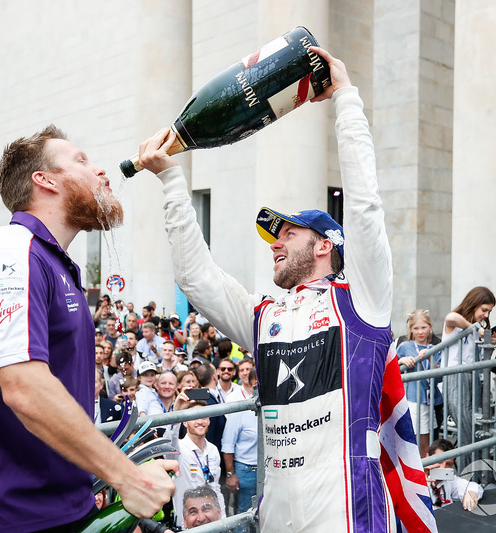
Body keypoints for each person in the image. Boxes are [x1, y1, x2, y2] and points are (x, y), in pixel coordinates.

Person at [140, 47, 435, 531]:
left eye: (288, 235)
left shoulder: (362, 298)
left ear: (325, 246)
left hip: (346, 511)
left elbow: (364, 208)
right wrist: (172, 180)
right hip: (277, 511)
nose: (274, 245)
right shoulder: (265, 317)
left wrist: (345, 99)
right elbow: (198, 278)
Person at [0, 125, 177, 532]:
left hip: (58, 508)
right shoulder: (9, 250)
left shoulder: (52, 263)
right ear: (45, 180)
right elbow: (24, 388)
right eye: (82, 160)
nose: (101, 170)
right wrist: (127, 476)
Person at [442, 287, 496, 447]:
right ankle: (469, 467)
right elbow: (450, 317)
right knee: (466, 425)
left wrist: (490, 346)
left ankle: (473, 466)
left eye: (489, 312)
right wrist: (472, 328)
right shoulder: (461, 324)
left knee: (475, 426)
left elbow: (479, 359)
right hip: (456, 376)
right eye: (484, 310)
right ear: (474, 303)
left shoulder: (477, 328)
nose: (486, 315)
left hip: (473, 378)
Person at [173, 405, 226, 529]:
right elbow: (170, 437)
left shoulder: (213, 449)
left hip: (210, 519)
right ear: (185, 422)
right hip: (187, 521)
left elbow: (216, 487)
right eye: (194, 417)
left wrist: (223, 519)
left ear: (209, 420)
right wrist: (176, 411)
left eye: (204, 417)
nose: (200, 421)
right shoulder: (178, 448)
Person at [397, 309, 439, 456]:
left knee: (425, 438)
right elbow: (390, 367)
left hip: (428, 399)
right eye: (416, 328)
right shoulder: (404, 346)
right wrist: (401, 360)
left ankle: (423, 470)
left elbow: (439, 374)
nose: (420, 332)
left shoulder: (435, 348)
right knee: (410, 437)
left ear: (430, 327)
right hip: (411, 398)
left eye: (423, 327)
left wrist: (428, 359)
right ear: (410, 329)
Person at [221, 369, 258, 527]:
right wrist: (231, 474)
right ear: (253, 383)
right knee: (244, 515)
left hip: (270, 469)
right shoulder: (241, 409)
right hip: (246, 471)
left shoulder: (274, 408)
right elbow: (228, 444)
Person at [425, 439, 483, 511]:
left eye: (448, 464)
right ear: (427, 457)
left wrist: (472, 493)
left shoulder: (449, 480)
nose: (443, 467)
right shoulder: (415, 479)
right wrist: (418, 477)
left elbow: (474, 486)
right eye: (439, 461)